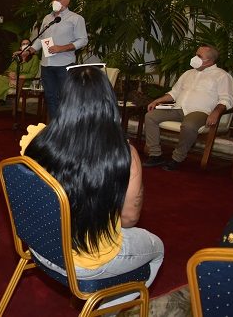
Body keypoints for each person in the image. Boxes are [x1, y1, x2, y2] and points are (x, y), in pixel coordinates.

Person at [22, 65, 164, 308]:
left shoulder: (36, 141)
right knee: (157, 248)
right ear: (109, 100)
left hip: (41, 245)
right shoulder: (124, 154)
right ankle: (107, 309)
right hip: (86, 262)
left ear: (65, 99)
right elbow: (129, 219)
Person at [142, 45, 233, 171]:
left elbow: (226, 99)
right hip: (179, 108)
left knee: (189, 125)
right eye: (196, 54)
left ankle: (177, 158)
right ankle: (155, 155)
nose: (195, 58)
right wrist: (157, 100)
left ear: (210, 61)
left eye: (199, 56)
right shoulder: (188, 73)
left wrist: (216, 112)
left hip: (201, 112)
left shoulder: (222, 76)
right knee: (150, 116)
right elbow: (174, 93)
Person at [17, 0, 87, 119]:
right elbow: (40, 39)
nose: (55, 2)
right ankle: (55, 127)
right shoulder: (47, 18)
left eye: (59, 0)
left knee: (65, 98)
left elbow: (83, 40)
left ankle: (65, 128)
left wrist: (62, 48)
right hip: (46, 65)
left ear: (67, 1)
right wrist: (29, 51)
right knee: (50, 97)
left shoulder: (76, 19)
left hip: (64, 65)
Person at [0, 39, 40, 120]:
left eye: (27, 44)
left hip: (24, 82)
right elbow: (8, 70)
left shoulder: (34, 58)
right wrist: (9, 74)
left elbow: (32, 74)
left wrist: (18, 76)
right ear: (20, 47)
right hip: (10, 80)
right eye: (23, 44)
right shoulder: (17, 58)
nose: (25, 45)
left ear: (31, 47)